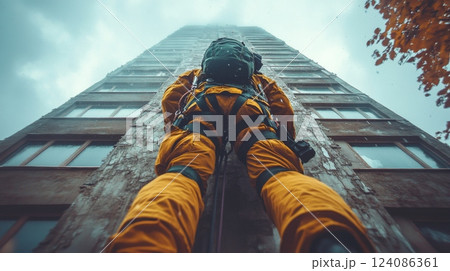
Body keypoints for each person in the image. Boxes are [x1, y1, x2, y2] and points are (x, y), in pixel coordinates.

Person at [105, 38, 375, 253]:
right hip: (250, 110)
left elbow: (171, 97)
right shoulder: (258, 78)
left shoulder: (197, 73)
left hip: (200, 111)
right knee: (279, 173)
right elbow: (281, 105)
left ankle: (141, 247)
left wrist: (175, 128)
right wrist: (283, 139)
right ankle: (331, 242)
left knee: (182, 172)